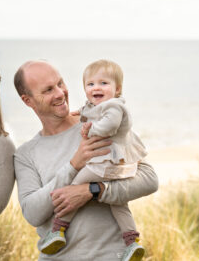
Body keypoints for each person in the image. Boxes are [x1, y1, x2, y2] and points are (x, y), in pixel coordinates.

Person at [13, 60, 158, 261]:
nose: (60, 93)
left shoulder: (102, 126)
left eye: (60, 83)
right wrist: (73, 165)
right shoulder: (26, 153)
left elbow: (149, 179)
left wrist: (92, 191)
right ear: (27, 100)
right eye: (48, 90)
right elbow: (33, 213)